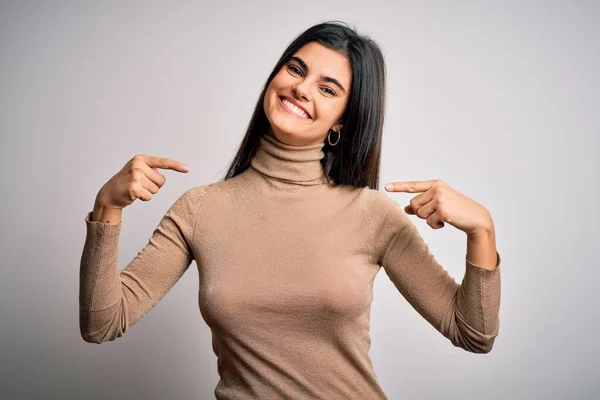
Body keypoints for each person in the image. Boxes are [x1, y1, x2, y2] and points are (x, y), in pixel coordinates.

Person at [80, 20, 501, 400]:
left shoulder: (372, 213)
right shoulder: (200, 209)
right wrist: (107, 208)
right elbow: (102, 323)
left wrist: (481, 230)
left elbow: (473, 333)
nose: (302, 88)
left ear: (343, 122)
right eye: (296, 70)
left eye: (328, 88)